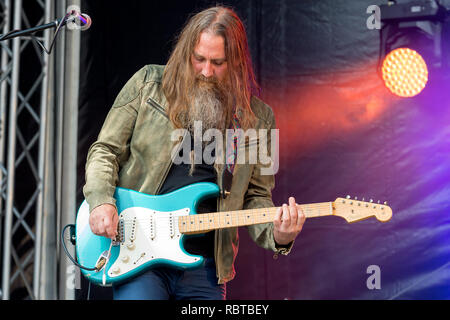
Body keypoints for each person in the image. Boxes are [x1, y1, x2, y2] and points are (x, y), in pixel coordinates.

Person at [84, 5, 305, 300]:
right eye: (198, 58)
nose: (206, 71)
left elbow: (257, 198)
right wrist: (100, 201)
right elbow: (105, 150)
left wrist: (279, 236)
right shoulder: (148, 84)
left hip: (206, 267)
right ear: (185, 51)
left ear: (236, 62)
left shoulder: (259, 119)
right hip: (141, 254)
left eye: (218, 62)